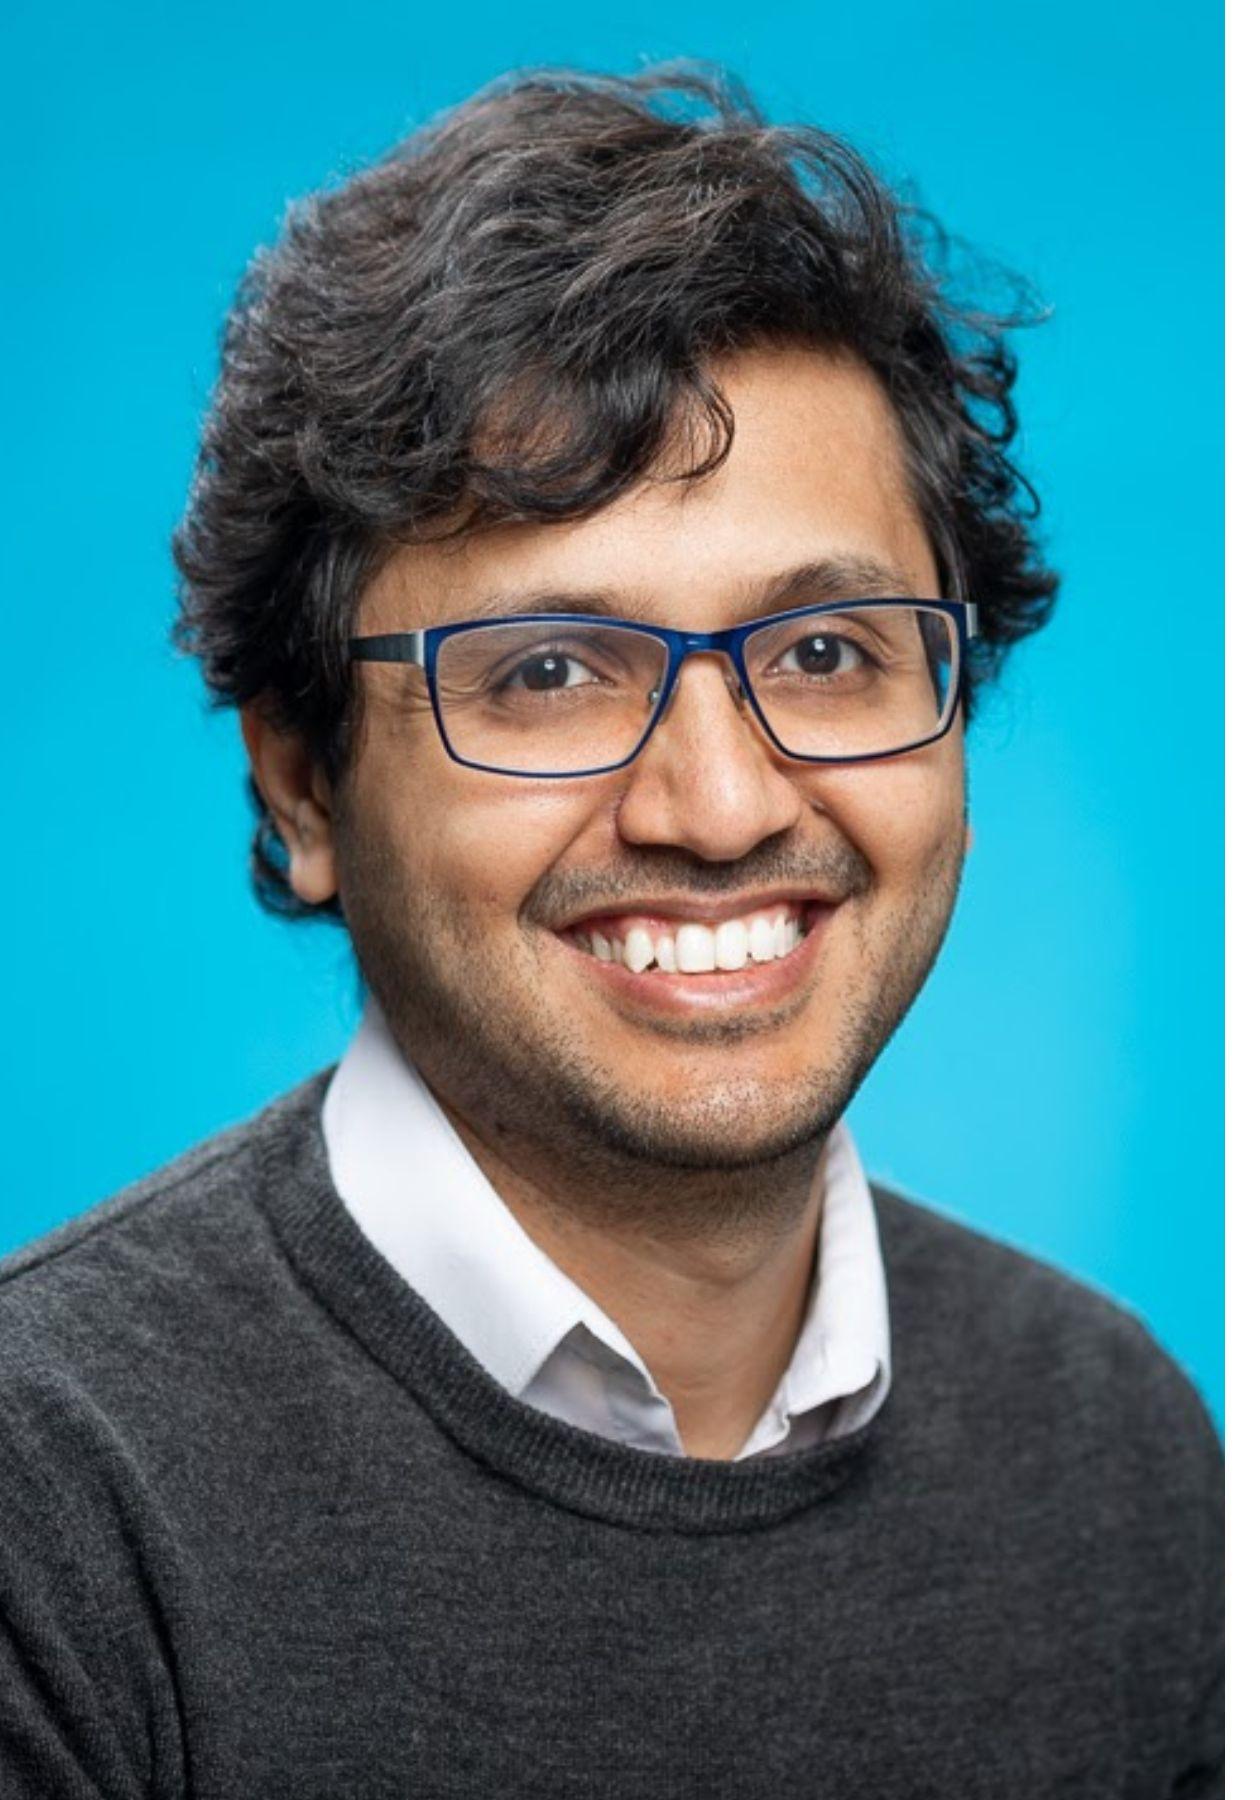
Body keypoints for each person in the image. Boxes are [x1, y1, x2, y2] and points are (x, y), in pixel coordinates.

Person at [0, 63, 1221, 1799]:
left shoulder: (1123, 1458)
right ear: (304, 786)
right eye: (552, 673)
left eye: (823, 654)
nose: (720, 809)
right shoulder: (49, 1515)